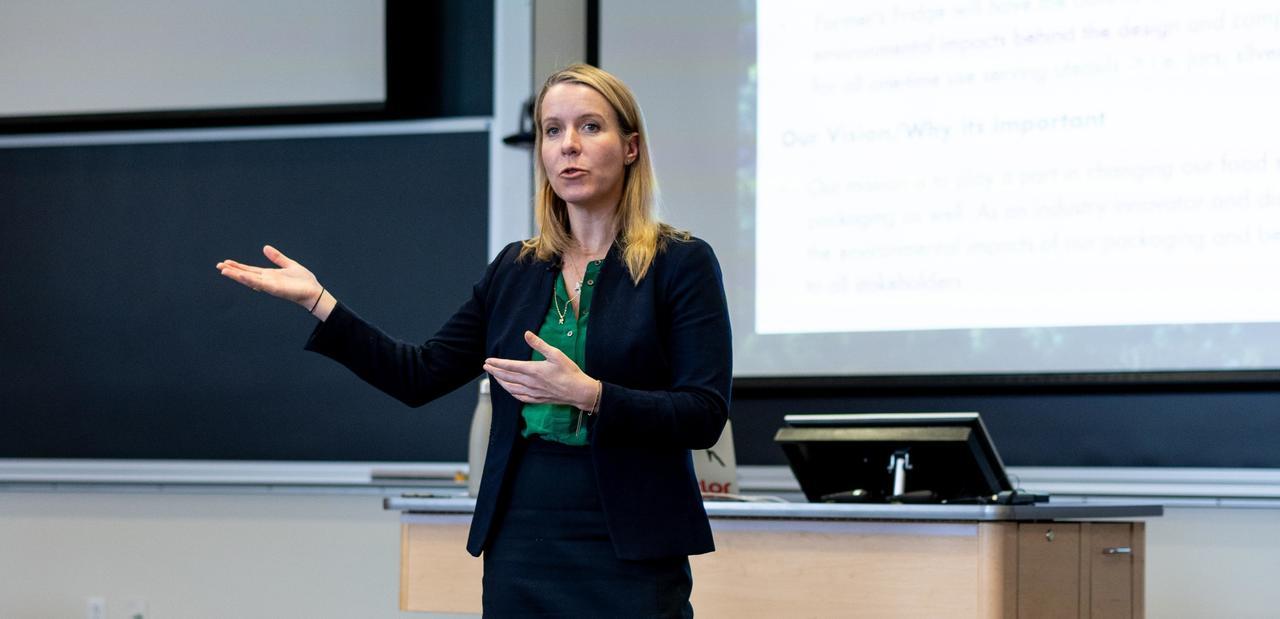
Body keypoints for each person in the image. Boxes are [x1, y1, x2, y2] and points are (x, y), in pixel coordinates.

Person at [216, 64, 732, 617]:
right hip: (522, 537)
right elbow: (418, 375)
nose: (569, 147)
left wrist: (592, 395)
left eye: (589, 127)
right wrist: (320, 302)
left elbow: (703, 413)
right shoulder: (516, 269)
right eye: (552, 131)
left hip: (630, 540)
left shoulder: (679, 263)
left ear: (630, 147)